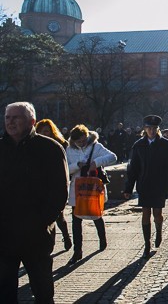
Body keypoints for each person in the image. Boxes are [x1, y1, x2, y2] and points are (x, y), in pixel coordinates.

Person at [0, 102, 69, 303]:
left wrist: (40, 223)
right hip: (4, 237)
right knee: (4, 293)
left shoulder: (49, 148)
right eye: (7, 117)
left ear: (32, 121)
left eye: (16, 117)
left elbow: (59, 192)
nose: (10, 122)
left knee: (43, 292)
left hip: (36, 236)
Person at [123, 115, 168, 258]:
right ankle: (147, 244)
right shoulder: (139, 145)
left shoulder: (165, 144)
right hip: (144, 184)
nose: (152, 131)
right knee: (145, 213)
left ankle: (158, 231)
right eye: (149, 128)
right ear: (145, 129)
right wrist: (128, 188)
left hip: (159, 185)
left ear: (157, 129)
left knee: (157, 214)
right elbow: (133, 168)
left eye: (154, 128)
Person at [65, 124, 117, 265]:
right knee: (76, 221)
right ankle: (77, 251)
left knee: (96, 215)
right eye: (78, 142)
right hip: (77, 189)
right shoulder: (69, 150)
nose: (81, 143)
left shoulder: (95, 146)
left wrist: (96, 162)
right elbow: (66, 169)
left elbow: (113, 157)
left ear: (86, 137)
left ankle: (102, 240)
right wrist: (77, 165)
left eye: (83, 140)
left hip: (92, 188)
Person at [35, 119, 73, 251]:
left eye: (47, 131)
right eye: (42, 131)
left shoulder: (59, 145)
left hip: (55, 184)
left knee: (58, 216)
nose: (45, 134)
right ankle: (49, 244)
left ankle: (66, 236)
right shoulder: (33, 145)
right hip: (39, 186)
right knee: (46, 219)